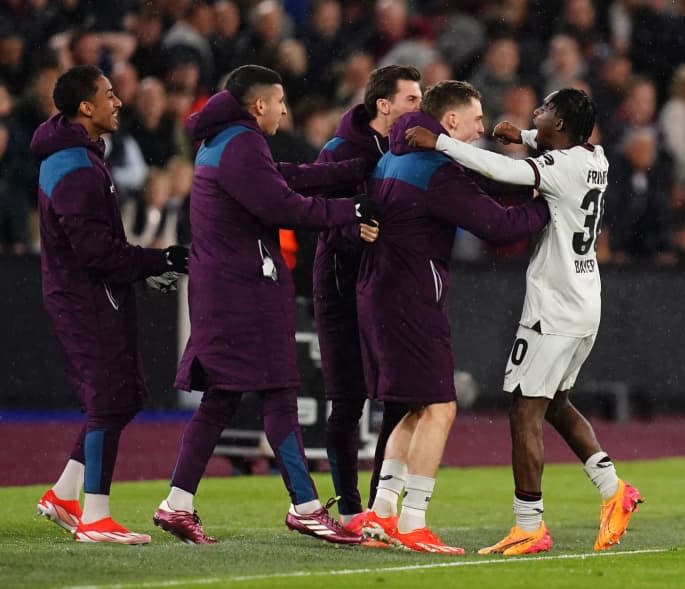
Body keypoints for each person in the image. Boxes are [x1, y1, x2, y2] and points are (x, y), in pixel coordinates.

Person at [405, 87, 643, 555]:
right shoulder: (597, 158)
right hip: (585, 298)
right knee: (555, 404)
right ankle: (614, 489)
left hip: (553, 307)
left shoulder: (560, 166)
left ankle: (529, 524)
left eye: (544, 110)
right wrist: (529, 134)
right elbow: (557, 151)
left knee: (523, 411)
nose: (535, 112)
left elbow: (504, 170)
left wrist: (445, 145)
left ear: (561, 124)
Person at [151, 65, 379, 546]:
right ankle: (306, 507)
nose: (284, 110)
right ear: (258, 105)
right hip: (244, 291)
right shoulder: (242, 141)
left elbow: (283, 178)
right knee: (277, 393)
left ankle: (178, 503)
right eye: (279, 102)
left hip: (228, 288)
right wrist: (352, 208)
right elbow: (284, 206)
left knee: (223, 399)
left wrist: (350, 172)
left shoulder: (225, 141)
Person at [358, 80, 551, 553]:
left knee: (413, 405)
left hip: (380, 290)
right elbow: (497, 225)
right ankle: (414, 520)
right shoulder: (435, 171)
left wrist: (526, 173)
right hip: (411, 295)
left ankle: (381, 513)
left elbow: (480, 182)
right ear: (449, 123)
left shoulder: (395, 156)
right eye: (477, 118)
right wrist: (549, 206)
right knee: (441, 406)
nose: (483, 127)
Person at [31, 65, 189, 545]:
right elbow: (94, 251)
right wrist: (158, 258)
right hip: (85, 297)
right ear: (86, 106)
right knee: (107, 401)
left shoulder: (78, 155)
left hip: (94, 292)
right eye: (109, 94)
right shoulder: (75, 165)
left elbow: (99, 249)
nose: (118, 101)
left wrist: (144, 270)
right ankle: (95, 517)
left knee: (123, 397)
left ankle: (64, 495)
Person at [313, 64, 422, 532]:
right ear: (385, 105)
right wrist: (351, 231)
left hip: (386, 288)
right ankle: (351, 510)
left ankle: (380, 506)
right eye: (413, 99)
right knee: (348, 401)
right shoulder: (341, 151)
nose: (421, 108)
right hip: (340, 286)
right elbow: (311, 209)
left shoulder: (406, 151)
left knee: (396, 399)